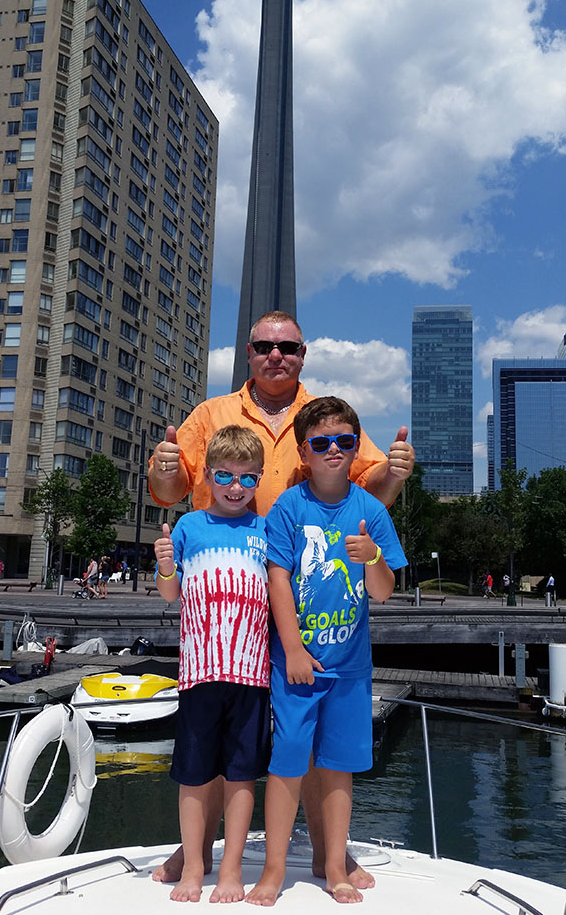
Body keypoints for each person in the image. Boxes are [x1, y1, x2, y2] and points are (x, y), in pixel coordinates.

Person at [149, 310, 415, 889]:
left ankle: (330, 854)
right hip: (233, 597)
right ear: (248, 352)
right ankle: (195, 854)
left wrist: (394, 475)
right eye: (266, 346)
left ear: (303, 354)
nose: (277, 356)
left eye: (288, 347)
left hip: (308, 596)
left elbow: (368, 492)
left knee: (314, 736)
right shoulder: (210, 414)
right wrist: (166, 468)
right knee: (223, 728)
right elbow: (171, 492)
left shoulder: (324, 415)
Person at [246, 396, 407, 906]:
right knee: (287, 764)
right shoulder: (289, 508)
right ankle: (273, 870)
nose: (333, 450)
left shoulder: (370, 510)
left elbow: (382, 590)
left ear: (356, 447)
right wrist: (291, 648)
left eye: (344, 442)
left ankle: (333, 865)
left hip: (351, 668)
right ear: (304, 450)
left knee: (338, 767)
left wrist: (374, 556)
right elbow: (277, 581)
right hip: (296, 666)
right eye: (321, 443)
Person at [154, 425, 270, 904]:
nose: (236, 486)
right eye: (225, 475)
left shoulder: (268, 528)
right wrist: (164, 565)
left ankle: (231, 867)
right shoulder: (188, 527)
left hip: (252, 675)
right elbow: (171, 593)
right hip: (198, 672)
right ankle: (194, 865)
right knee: (194, 776)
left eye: (247, 477)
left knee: (242, 776)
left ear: (260, 478)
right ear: (207, 475)